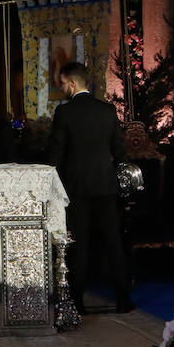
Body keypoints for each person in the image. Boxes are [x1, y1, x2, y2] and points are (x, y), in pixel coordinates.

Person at [47, 61, 132, 315]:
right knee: (113, 243)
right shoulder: (107, 110)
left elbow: (56, 154)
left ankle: (78, 302)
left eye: (62, 83)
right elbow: (120, 151)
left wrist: (50, 179)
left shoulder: (65, 113)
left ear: (72, 84)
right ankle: (123, 299)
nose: (62, 88)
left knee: (79, 245)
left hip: (77, 188)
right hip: (106, 186)